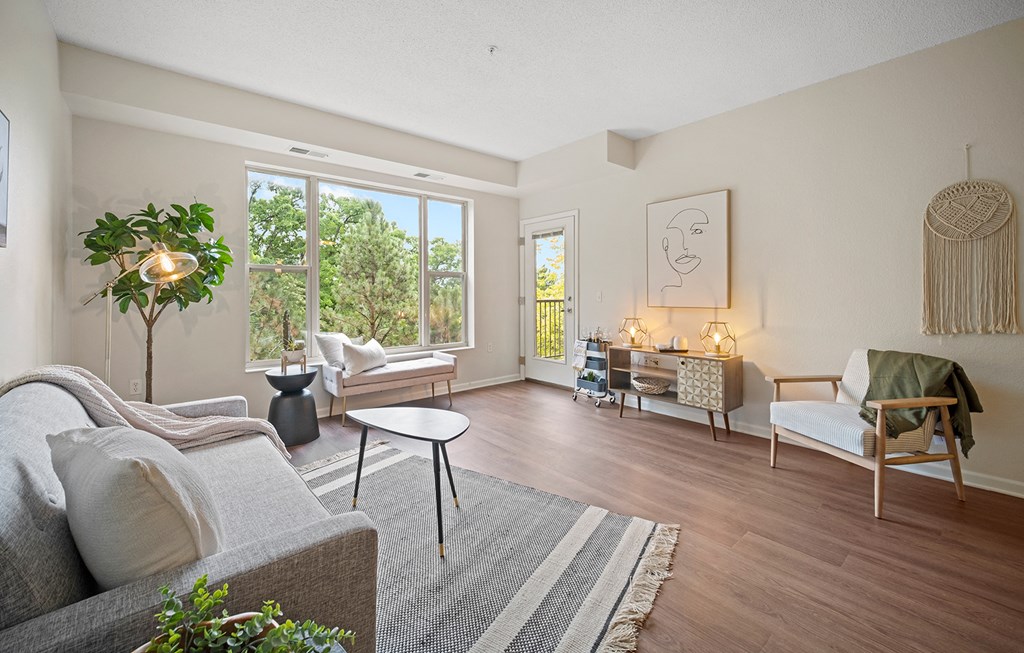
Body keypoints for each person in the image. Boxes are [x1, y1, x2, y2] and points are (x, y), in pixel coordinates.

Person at [661, 208, 708, 291]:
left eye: (696, 231)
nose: (685, 246)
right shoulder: (664, 292)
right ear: (665, 244)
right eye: (674, 236)